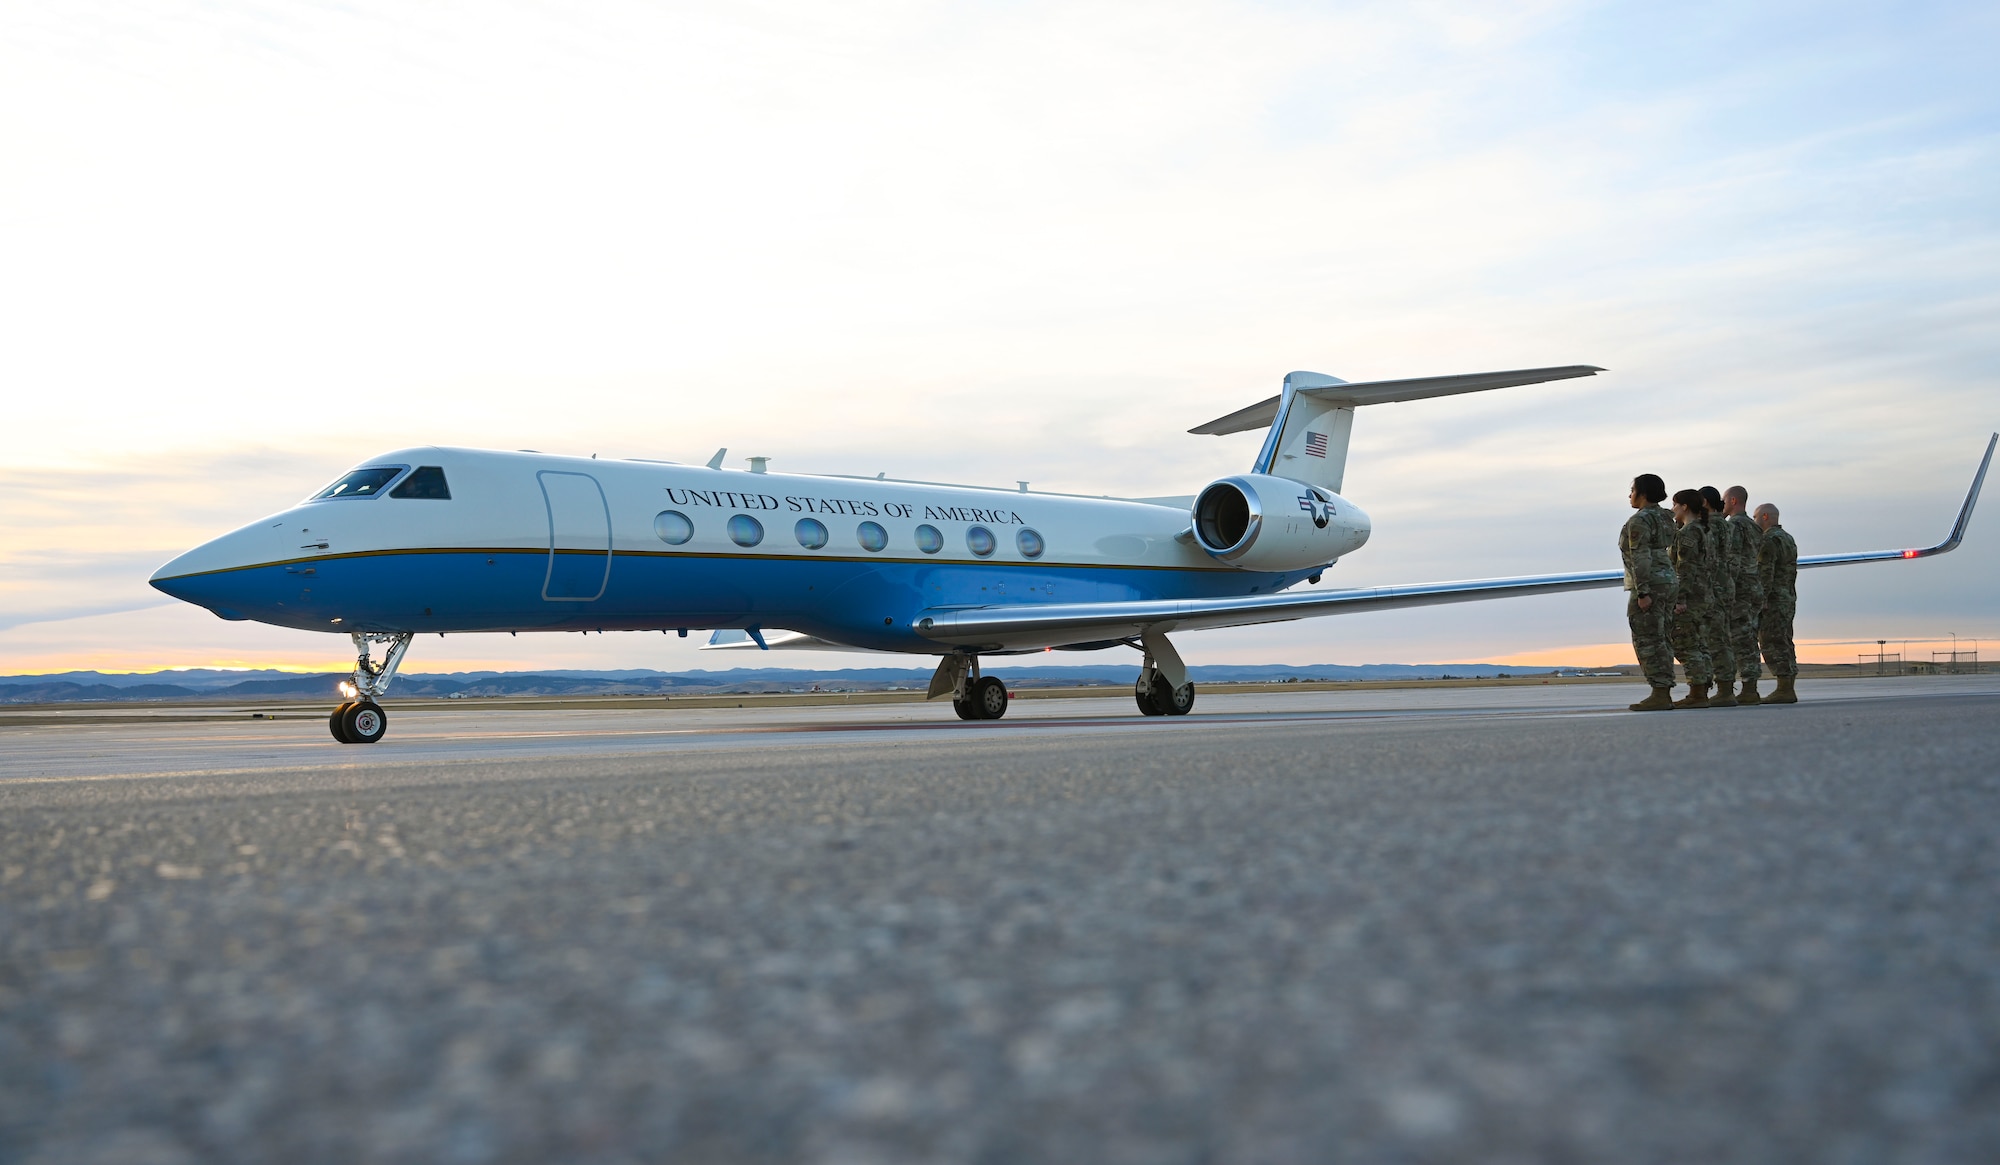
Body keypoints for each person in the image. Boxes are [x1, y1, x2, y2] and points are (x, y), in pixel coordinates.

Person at [1620, 474, 1679, 711]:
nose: (1630, 494)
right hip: (1667, 579)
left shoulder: (1640, 521)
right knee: (1663, 636)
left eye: (1632, 490)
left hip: (1650, 583)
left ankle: (1660, 691)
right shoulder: (1666, 518)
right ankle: (1663, 689)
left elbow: (1639, 556)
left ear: (1642, 493)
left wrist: (1643, 591)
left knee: (1647, 638)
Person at [1668, 489, 1715, 707]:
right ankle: (1702, 689)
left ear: (1684, 506)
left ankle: (1697, 692)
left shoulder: (1688, 533)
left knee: (1686, 644)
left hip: (1692, 597)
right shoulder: (1705, 531)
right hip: (1705, 595)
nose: (1673, 509)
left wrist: (1680, 599)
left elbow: (1684, 569)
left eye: (1675, 504)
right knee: (1700, 643)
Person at [1722, 485, 1765, 703]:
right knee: (1748, 637)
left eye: (1724, 500)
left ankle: (1749, 688)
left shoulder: (1735, 525)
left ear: (1732, 501)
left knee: (1740, 639)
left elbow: (1733, 560)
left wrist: (1726, 589)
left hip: (1740, 589)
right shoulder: (1754, 526)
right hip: (1753, 587)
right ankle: (1750, 686)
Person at [1697, 486, 1739, 707]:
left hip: (1711, 586)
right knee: (1722, 638)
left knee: (1714, 640)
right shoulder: (1725, 524)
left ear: (1704, 501)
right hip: (1725, 584)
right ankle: (1724, 687)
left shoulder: (1709, 526)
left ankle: (1721, 689)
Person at [1755, 502, 1800, 703]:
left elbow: (1766, 572)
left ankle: (1784, 688)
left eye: (1756, 517)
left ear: (1765, 517)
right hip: (1787, 597)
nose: (1755, 521)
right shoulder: (1788, 539)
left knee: (1772, 641)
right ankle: (1787, 685)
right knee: (1784, 640)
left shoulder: (1768, 540)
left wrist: (1761, 597)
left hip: (1773, 600)